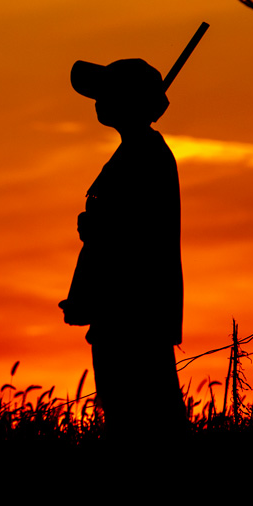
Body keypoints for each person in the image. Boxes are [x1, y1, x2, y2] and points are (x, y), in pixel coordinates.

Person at [59, 57, 185, 434]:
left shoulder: (144, 155)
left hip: (132, 313)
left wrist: (97, 226)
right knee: (138, 417)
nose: (98, 101)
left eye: (108, 93)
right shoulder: (139, 152)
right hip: (129, 312)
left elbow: (136, 235)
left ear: (129, 102)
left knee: (139, 422)